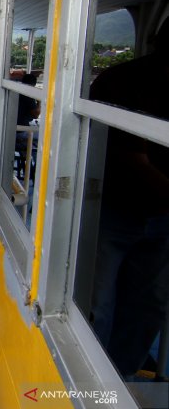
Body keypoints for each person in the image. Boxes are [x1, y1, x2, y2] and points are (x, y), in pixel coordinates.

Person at [89, 19, 169, 377]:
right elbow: (131, 158)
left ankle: (121, 376)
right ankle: (90, 379)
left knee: (149, 304)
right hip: (111, 208)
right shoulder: (120, 83)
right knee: (96, 305)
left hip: (162, 216)